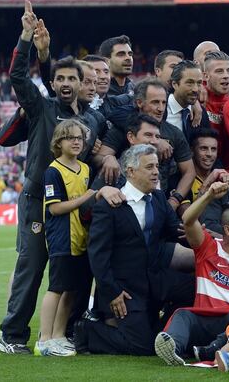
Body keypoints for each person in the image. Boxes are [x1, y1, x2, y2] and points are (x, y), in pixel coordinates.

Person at [0, 2, 108, 355]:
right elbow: (17, 78)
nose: (64, 83)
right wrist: (26, 38)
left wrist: (105, 153)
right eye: (59, 78)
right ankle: (12, 336)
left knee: (69, 274)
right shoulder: (41, 108)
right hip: (36, 202)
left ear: (81, 84)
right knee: (31, 271)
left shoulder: (91, 120)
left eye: (71, 78)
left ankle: (60, 335)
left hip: (71, 209)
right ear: (53, 82)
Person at [78, 145, 195, 356]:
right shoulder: (109, 205)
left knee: (197, 287)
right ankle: (87, 331)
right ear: (130, 171)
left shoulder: (158, 198)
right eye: (149, 167)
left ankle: (161, 329)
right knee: (142, 347)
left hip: (156, 281)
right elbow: (98, 255)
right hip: (125, 290)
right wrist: (112, 292)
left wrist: (210, 239)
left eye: (157, 166)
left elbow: (177, 231)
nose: (156, 172)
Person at [154, 181, 229, 366]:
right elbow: (188, 220)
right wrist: (208, 195)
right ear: (227, 229)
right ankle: (173, 350)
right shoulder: (208, 248)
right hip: (208, 321)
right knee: (183, 314)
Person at [35, 120, 98, 357]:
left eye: (79, 138)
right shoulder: (53, 171)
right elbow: (55, 208)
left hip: (80, 237)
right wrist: (87, 197)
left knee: (71, 290)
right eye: (70, 137)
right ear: (58, 142)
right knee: (57, 288)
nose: (75, 142)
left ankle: (59, 335)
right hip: (62, 237)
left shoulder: (84, 168)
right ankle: (44, 339)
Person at [166, 60, 211, 143]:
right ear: (175, 84)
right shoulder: (160, 109)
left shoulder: (202, 113)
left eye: (199, 83)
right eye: (189, 83)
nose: (196, 89)